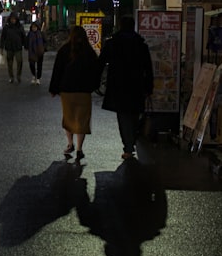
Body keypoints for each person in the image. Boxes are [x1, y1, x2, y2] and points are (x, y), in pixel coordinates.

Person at [98, 15, 154, 160]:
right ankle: (132, 140)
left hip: (118, 85)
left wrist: (95, 81)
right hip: (137, 85)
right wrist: (149, 87)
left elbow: (101, 62)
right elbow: (148, 68)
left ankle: (128, 146)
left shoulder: (113, 43)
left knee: (123, 116)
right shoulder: (141, 44)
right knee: (135, 113)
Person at [48, 26, 102, 161]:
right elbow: (96, 71)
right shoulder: (89, 52)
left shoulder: (64, 50)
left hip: (67, 90)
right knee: (82, 119)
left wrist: (54, 89)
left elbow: (57, 71)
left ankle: (70, 143)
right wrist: (94, 86)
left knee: (68, 117)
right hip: (84, 91)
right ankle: (79, 148)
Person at [0, 13, 26, 83]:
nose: (13, 20)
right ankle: (11, 77)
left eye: (14, 19)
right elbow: (3, 38)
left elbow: (23, 36)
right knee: (10, 63)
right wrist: (1, 47)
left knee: (19, 61)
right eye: (12, 19)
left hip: (18, 47)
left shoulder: (20, 26)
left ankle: (18, 75)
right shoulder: (6, 27)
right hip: (9, 47)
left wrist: (25, 45)